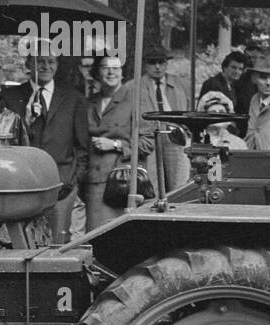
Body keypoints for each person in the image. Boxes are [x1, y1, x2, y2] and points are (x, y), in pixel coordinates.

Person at [2, 49, 90, 244]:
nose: (46, 66)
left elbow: (82, 145)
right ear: (28, 64)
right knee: (23, 243)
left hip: (62, 185)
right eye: (39, 61)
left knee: (57, 244)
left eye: (51, 61)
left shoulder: (73, 98)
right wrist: (26, 119)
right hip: (23, 184)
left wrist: (73, 179)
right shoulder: (10, 96)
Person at [84, 56, 153, 231]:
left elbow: (147, 143)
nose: (111, 72)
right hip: (92, 181)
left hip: (122, 183)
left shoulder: (135, 101)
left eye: (116, 68)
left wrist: (115, 145)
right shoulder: (88, 103)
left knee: (120, 235)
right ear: (97, 72)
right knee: (94, 237)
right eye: (105, 67)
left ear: (122, 73)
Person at [136, 44, 191, 190]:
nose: (157, 67)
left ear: (166, 64)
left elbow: (190, 108)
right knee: (152, 183)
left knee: (178, 181)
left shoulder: (181, 84)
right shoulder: (136, 86)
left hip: (174, 134)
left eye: (161, 62)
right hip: (149, 136)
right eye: (153, 62)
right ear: (145, 65)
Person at [199, 51, 254, 138]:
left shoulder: (232, 86)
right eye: (233, 67)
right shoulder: (213, 84)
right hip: (215, 133)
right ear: (224, 67)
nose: (237, 72)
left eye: (240, 69)